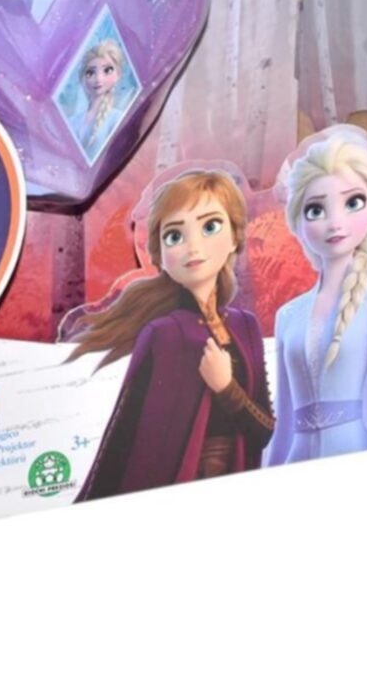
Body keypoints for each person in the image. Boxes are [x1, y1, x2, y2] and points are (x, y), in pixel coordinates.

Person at [65, 168, 273, 498]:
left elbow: (264, 432)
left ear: (235, 237)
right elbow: (123, 438)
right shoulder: (163, 334)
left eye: (210, 227)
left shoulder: (245, 326)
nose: (193, 247)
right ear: (160, 255)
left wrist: (226, 388)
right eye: (175, 236)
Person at [267, 126, 367, 465]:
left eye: (353, 202)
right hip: (296, 459)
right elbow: (283, 421)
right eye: (316, 210)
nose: (335, 223)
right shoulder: (288, 315)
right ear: (297, 222)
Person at [73, 39, 128, 158]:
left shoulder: (118, 119)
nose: (98, 79)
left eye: (107, 70)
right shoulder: (73, 121)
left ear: (118, 75)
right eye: (90, 73)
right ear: (82, 77)